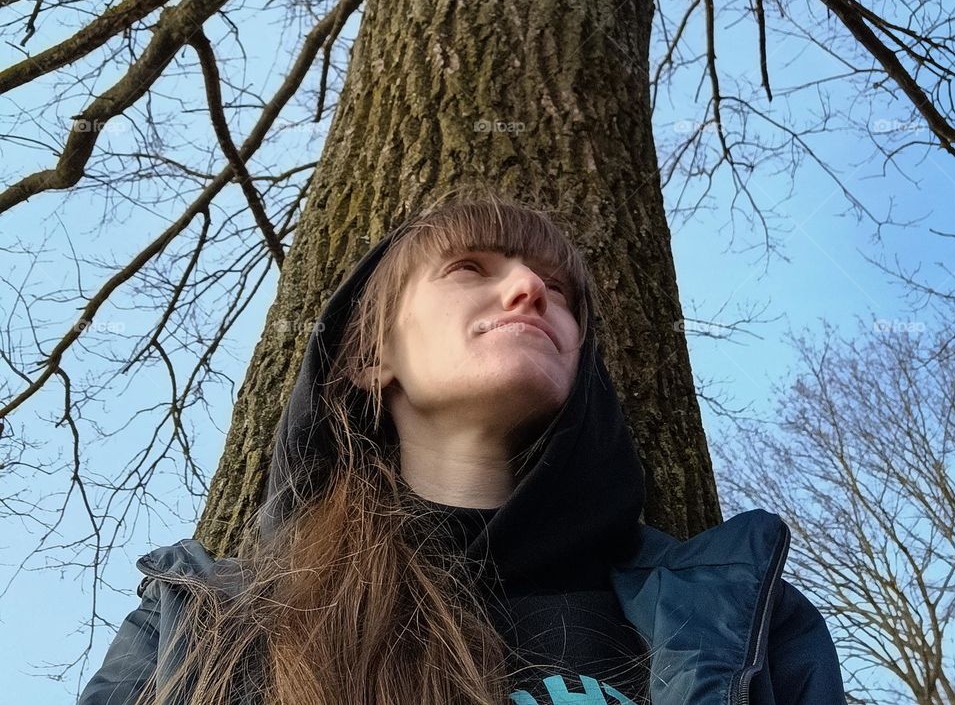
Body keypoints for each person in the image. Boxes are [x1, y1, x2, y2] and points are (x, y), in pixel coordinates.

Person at [77, 190, 847, 704]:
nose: (529, 291)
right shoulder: (201, 624)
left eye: (563, 293)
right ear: (373, 357)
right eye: (470, 266)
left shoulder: (737, 611)